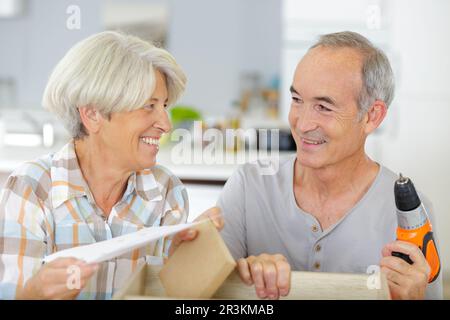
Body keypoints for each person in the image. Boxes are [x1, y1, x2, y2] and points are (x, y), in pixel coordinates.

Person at [218, 31, 443, 300]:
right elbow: (199, 294)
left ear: (372, 116)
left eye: (324, 107)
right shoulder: (248, 187)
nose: (302, 124)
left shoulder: (408, 214)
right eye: (297, 100)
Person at [0, 31, 222, 300]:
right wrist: (35, 294)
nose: (166, 124)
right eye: (148, 106)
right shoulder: (32, 188)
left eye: (164, 105)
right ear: (92, 114)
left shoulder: (166, 191)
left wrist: (187, 257)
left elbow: (172, 296)